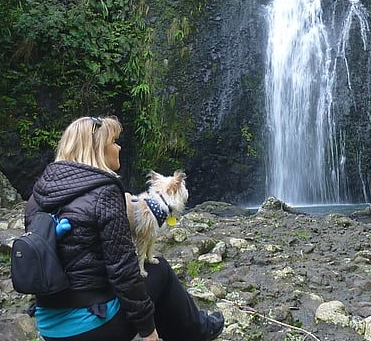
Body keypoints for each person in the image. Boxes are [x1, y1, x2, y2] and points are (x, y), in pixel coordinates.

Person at [24, 115, 224, 341]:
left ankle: (196, 327)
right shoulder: (105, 193)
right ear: (99, 148)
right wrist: (147, 330)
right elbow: (123, 271)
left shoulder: (38, 195)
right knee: (160, 271)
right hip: (88, 329)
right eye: (114, 142)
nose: (119, 147)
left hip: (49, 325)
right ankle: (200, 330)